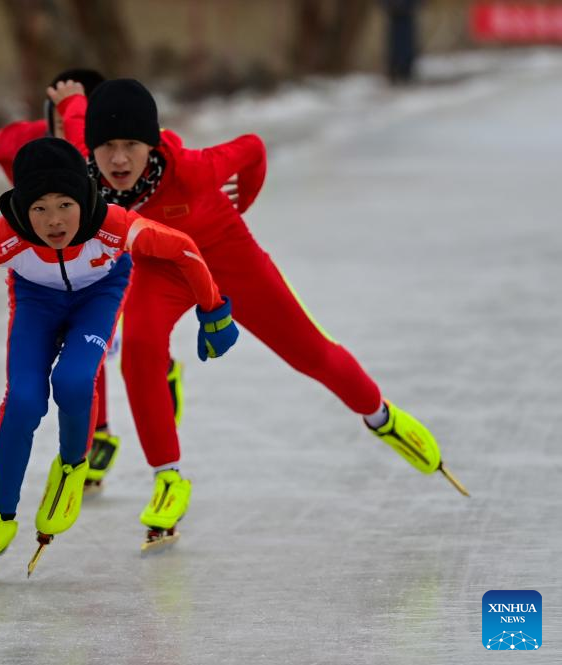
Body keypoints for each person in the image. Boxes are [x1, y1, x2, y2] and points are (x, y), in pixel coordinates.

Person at [49, 78, 467, 542]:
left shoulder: (193, 169)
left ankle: (380, 416)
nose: (120, 159)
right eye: (108, 147)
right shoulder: (85, 168)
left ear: (150, 142)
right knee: (140, 349)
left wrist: (239, 202)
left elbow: (252, 147)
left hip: (226, 258)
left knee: (309, 352)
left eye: (132, 145)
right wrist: (70, 98)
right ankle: (168, 478)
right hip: (163, 269)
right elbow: (76, 119)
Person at [0, 137, 238, 585]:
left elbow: (184, 248)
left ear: (85, 199)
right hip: (36, 303)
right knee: (22, 401)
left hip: (98, 297)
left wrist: (213, 309)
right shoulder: (7, 233)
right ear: (21, 208)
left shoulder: (114, 224)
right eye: (39, 208)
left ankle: (72, 467)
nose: (53, 221)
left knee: (75, 381)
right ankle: (0, 518)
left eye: (64, 204)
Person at [0, 68, 185, 492]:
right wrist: (49, 124)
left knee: (112, 339)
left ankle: (144, 385)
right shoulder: (44, 149)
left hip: (123, 255)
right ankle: (98, 431)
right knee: (84, 352)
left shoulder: (107, 155)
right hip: (58, 264)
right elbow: (2, 144)